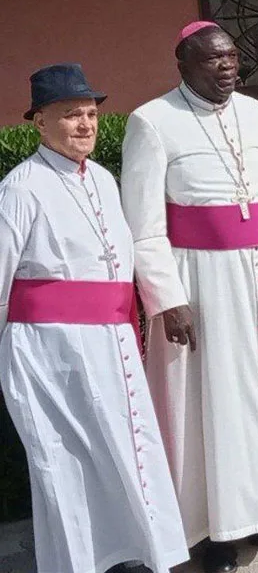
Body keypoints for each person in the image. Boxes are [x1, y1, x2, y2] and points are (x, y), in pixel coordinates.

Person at [120, 22, 258, 573]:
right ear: (182, 64)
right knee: (209, 406)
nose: (227, 67)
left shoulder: (257, 114)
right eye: (212, 60)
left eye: (232, 57)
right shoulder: (151, 121)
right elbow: (142, 226)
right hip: (199, 283)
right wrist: (166, 298)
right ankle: (214, 533)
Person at [0, 63, 188, 573]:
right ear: (39, 122)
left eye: (90, 114)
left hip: (111, 341)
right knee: (65, 461)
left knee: (124, 448)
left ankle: (132, 551)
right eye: (70, 115)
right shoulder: (21, 188)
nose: (85, 125)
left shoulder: (104, 178)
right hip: (50, 349)